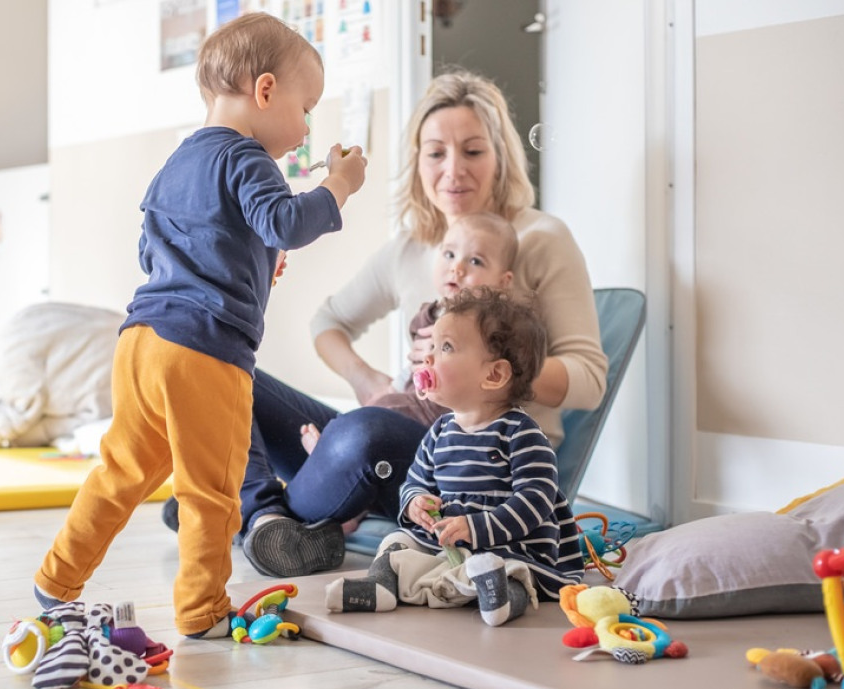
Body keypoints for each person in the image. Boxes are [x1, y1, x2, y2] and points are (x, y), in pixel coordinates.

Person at [32, 12, 367, 638]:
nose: (304, 129)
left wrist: (254, 263)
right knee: (211, 489)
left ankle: (56, 579)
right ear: (265, 91)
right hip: (204, 351)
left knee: (121, 472)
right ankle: (201, 610)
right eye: (307, 107)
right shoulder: (248, 159)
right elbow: (289, 223)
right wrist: (339, 185)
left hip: (140, 342)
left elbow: (158, 250)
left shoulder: (177, 163)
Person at [227, 69, 608, 580]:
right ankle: (263, 512)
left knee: (363, 435)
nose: (453, 170)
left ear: (501, 156)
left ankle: (235, 511)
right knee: (231, 373)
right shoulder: (412, 247)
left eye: (473, 151)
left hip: (478, 457)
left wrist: (481, 369)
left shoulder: (539, 238)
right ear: (418, 162)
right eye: (436, 153)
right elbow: (329, 320)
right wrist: (368, 381)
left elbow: (589, 378)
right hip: (403, 418)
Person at [324, 287, 585, 625]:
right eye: (430, 346)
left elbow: (534, 503)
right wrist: (416, 503)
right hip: (448, 546)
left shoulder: (521, 434)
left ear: (493, 375)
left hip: (511, 548)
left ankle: (501, 598)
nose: (428, 357)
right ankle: (380, 587)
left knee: (512, 572)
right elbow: (414, 483)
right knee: (396, 541)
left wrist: (477, 528)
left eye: (445, 347)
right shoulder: (440, 432)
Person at [300, 209, 516, 448]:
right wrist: (389, 389)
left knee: (374, 425)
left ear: (503, 282)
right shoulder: (430, 313)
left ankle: (335, 451)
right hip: (415, 403)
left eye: (475, 261)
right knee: (375, 414)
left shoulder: (498, 326)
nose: (457, 268)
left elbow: (511, 377)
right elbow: (412, 368)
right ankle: (334, 451)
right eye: (449, 254)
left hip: (451, 424)